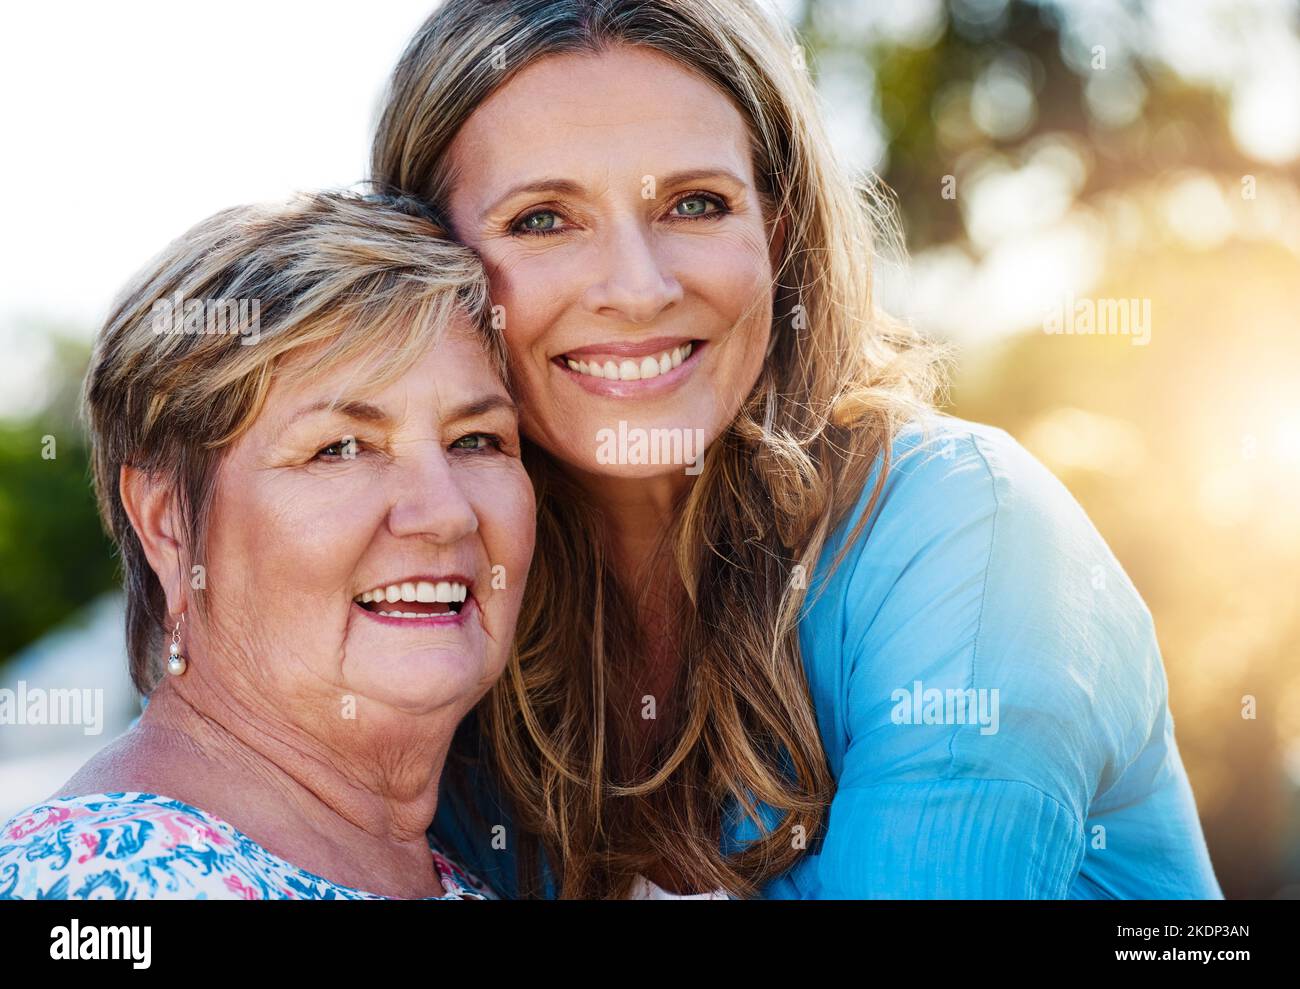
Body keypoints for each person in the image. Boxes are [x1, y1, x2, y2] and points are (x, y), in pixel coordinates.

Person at [367, 0, 1223, 899]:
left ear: (775, 235)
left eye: (696, 204)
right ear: (427, 268)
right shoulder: (445, 605)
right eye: (543, 219)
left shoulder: (967, 535)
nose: (638, 287)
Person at [0, 191, 535, 900]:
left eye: (477, 440)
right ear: (167, 522)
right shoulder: (92, 886)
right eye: (341, 448)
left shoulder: (470, 877)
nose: (445, 513)